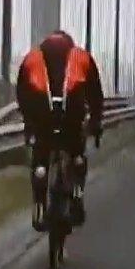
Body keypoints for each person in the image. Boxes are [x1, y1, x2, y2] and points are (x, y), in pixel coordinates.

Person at [17, 30, 104, 232]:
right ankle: (77, 196)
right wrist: (96, 122)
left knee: (40, 160)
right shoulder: (81, 57)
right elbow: (95, 95)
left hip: (42, 119)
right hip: (72, 118)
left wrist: (29, 122)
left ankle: (39, 204)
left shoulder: (32, 58)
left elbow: (22, 93)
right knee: (77, 155)